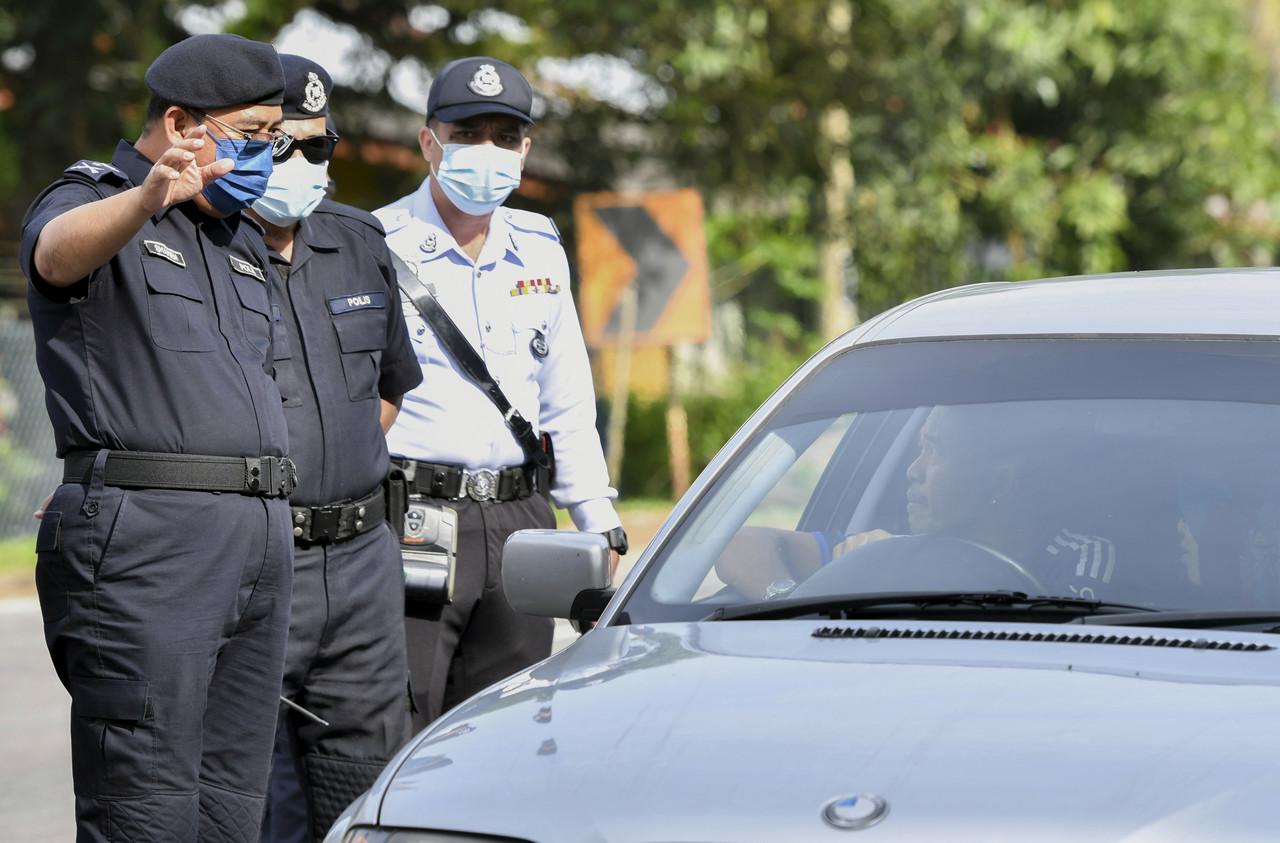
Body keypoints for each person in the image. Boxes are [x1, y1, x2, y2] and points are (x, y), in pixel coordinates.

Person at [20, 34, 294, 842]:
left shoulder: (237, 239)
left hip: (254, 542)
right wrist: (146, 200)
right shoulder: (94, 200)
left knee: (230, 809)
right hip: (151, 545)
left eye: (275, 139)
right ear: (180, 124)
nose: (265, 156)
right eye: (252, 135)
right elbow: (53, 256)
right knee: (143, 809)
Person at [375, 56, 628, 731]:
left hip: (521, 520)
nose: (486, 152)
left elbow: (566, 395)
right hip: (416, 519)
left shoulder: (541, 246)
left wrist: (596, 518)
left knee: (511, 720)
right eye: (466, 134)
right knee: (405, 715)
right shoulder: (374, 243)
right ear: (429, 142)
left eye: (505, 136)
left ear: (525, 149)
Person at [251, 56, 421, 843]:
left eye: (317, 148)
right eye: (281, 145)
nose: (301, 165)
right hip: (255, 562)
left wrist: (335, 473)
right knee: (251, 794)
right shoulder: (196, 249)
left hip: (360, 565)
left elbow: (388, 388)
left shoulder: (358, 241)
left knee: (367, 792)